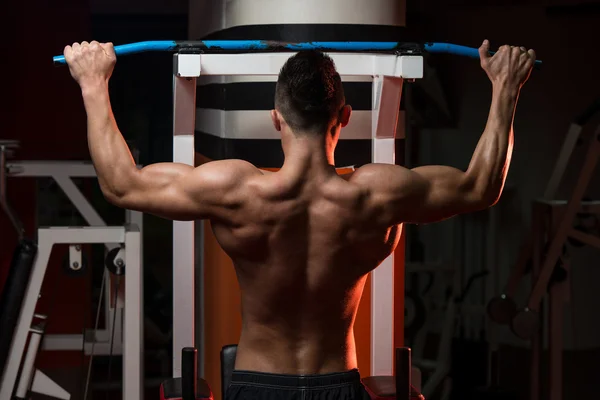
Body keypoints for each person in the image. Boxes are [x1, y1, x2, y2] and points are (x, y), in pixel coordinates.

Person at [63, 39, 535, 400]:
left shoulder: (237, 191)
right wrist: (505, 89)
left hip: (256, 386)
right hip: (339, 385)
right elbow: (481, 186)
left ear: (276, 119)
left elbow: (121, 184)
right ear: (345, 116)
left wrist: (93, 84)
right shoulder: (376, 195)